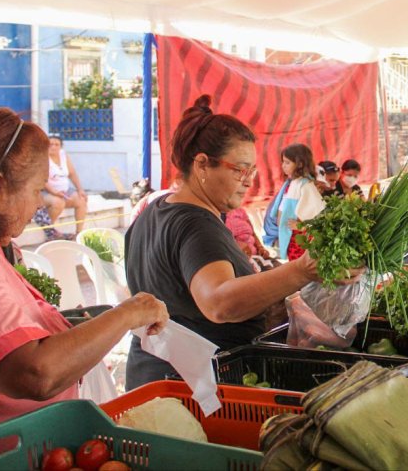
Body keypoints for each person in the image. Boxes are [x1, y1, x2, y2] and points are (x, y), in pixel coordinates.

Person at [0, 109, 168, 440]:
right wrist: (130, 311)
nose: (39, 203)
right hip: (2, 453)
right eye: (37, 190)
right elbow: (34, 373)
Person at [124, 96, 344, 389]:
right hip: (193, 388)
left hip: (151, 377)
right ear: (202, 164)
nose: (249, 180)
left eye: (252, 170)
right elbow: (218, 303)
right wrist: (300, 271)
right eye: (240, 169)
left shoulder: (156, 210)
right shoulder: (196, 224)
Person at [277, 144, 325, 260]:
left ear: (300, 164)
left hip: (299, 239)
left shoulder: (305, 185)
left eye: (287, 163)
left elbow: (317, 214)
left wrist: (301, 226)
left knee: (299, 268)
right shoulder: (292, 183)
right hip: (291, 236)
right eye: (283, 162)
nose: (283, 166)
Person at [43, 136, 88, 235]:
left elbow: (72, 173)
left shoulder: (63, 155)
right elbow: (41, 179)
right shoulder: (42, 157)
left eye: (56, 144)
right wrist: (54, 192)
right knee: (58, 203)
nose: (53, 147)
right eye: (50, 144)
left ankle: (79, 233)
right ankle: (50, 232)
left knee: (81, 200)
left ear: (60, 146)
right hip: (46, 192)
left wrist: (80, 189)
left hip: (64, 190)